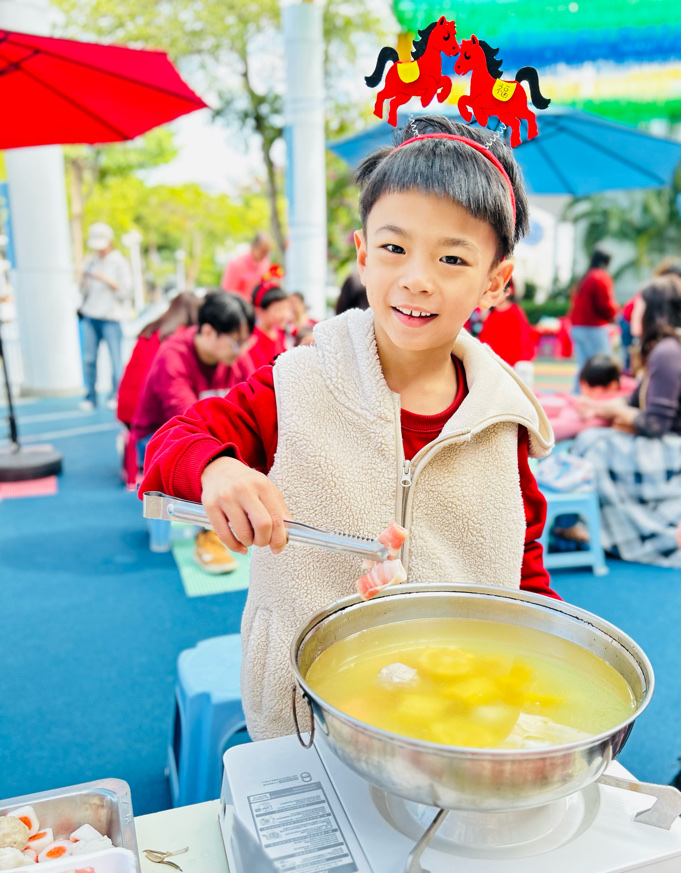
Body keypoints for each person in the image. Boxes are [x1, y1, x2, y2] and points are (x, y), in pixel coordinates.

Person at [140, 114, 555, 740]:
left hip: (458, 719)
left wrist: (544, 657)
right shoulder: (296, 384)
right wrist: (218, 470)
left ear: (495, 281)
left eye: (452, 258)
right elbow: (172, 444)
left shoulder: (503, 421)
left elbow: (522, 564)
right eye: (394, 248)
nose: (416, 278)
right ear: (363, 254)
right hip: (310, 716)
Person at [132, 291, 255, 573]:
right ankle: (209, 534)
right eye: (236, 341)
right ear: (209, 332)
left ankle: (222, 523)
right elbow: (187, 425)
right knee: (209, 462)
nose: (241, 350)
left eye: (246, 341)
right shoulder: (173, 356)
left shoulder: (235, 357)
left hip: (212, 430)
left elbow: (253, 404)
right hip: (157, 438)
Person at [571, 275, 681, 565]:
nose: (631, 311)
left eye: (639, 306)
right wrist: (598, 408)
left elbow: (654, 425)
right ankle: (595, 526)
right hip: (666, 444)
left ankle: (604, 530)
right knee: (592, 439)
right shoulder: (664, 349)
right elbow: (632, 403)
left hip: (671, 449)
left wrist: (609, 411)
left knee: (594, 444)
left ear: (654, 311)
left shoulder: (666, 352)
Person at [117, 293, 202, 488]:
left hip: (126, 405)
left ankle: (131, 458)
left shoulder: (150, 329)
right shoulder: (179, 338)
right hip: (147, 410)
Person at [79, 223, 133, 411]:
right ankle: (90, 396)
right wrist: (84, 280)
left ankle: (116, 394)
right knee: (89, 358)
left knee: (115, 359)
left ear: (110, 243)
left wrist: (104, 279)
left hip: (111, 317)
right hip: (90, 315)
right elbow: (82, 291)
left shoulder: (119, 262)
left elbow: (125, 291)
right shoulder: (90, 261)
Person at [539, 354, 636, 442]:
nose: (585, 394)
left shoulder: (625, 398)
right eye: (582, 387)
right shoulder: (619, 388)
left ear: (611, 386)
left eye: (591, 389)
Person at [569, 247, 618, 387]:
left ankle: (578, 393)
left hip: (577, 327)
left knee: (583, 366)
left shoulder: (585, 277)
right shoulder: (600, 277)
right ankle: (602, 394)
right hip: (593, 328)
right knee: (604, 365)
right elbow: (606, 304)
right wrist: (615, 315)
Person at [234, 278, 292, 376]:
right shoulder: (253, 338)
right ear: (260, 311)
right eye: (279, 309)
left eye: (286, 308)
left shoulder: (279, 333)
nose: (285, 314)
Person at [478, 278, 536, 367]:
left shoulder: (515, 312)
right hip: (494, 361)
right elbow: (485, 339)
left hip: (512, 362)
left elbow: (523, 337)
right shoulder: (491, 314)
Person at [220, 233, 273, 302]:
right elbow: (227, 292)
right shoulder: (236, 264)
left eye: (267, 252)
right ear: (253, 246)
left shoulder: (265, 263)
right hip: (239, 305)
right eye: (262, 251)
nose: (264, 255)